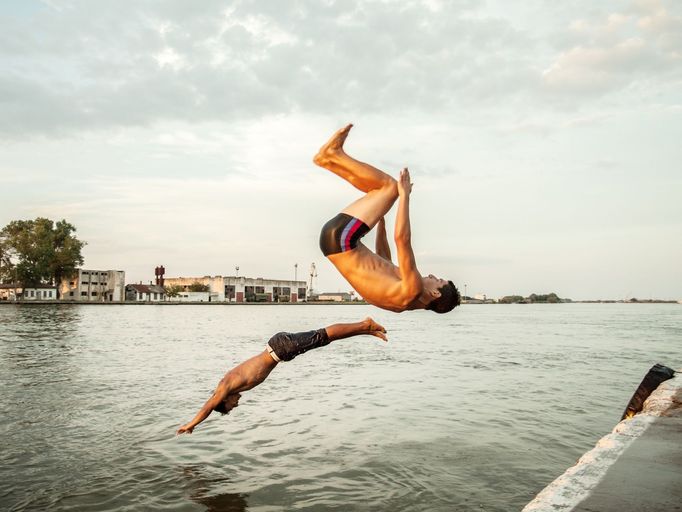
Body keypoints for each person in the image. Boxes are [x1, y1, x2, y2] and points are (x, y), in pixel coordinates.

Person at [314, 124, 460, 314]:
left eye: (438, 280)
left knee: (390, 188)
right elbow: (382, 258)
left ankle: (332, 155)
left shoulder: (413, 287)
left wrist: (404, 195)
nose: (433, 275)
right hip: (335, 243)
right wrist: (380, 221)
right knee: (380, 191)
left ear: (435, 293)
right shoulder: (402, 302)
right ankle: (329, 160)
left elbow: (402, 240)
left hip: (343, 240)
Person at [176, 318, 387, 434]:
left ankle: (364, 324)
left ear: (223, 400)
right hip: (280, 351)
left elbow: (207, 407)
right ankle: (366, 330)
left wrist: (191, 424)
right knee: (324, 339)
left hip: (280, 348)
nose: (236, 405)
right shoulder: (232, 387)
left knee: (323, 335)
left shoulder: (225, 387)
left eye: (231, 406)